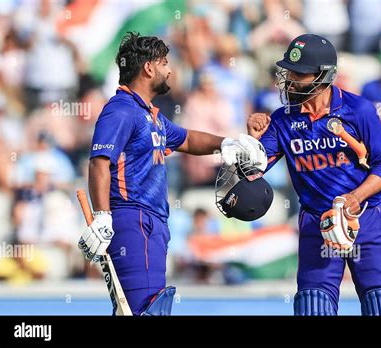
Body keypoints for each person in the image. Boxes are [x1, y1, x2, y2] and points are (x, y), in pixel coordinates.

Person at [78, 32, 266, 315]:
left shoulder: (150, 114)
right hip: (132, 219)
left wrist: (227, 143)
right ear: (148, 68)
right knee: (146, 311)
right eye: (164, 62)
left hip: (152, 221)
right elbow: (99, 161)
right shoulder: (120, 110)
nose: (170, 70)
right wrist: (103, 216)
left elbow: (187, 139)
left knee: (145, 309)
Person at [247, 34, 381, 316]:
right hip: (316, 223)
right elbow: (252, 170)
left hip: (365, 218)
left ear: (323, 76)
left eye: (300, 74)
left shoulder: (358, 110)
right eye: (290, 72)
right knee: (312, 307)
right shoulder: (283, 119)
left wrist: (356, 197)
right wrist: (251, 139)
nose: (291, 80)